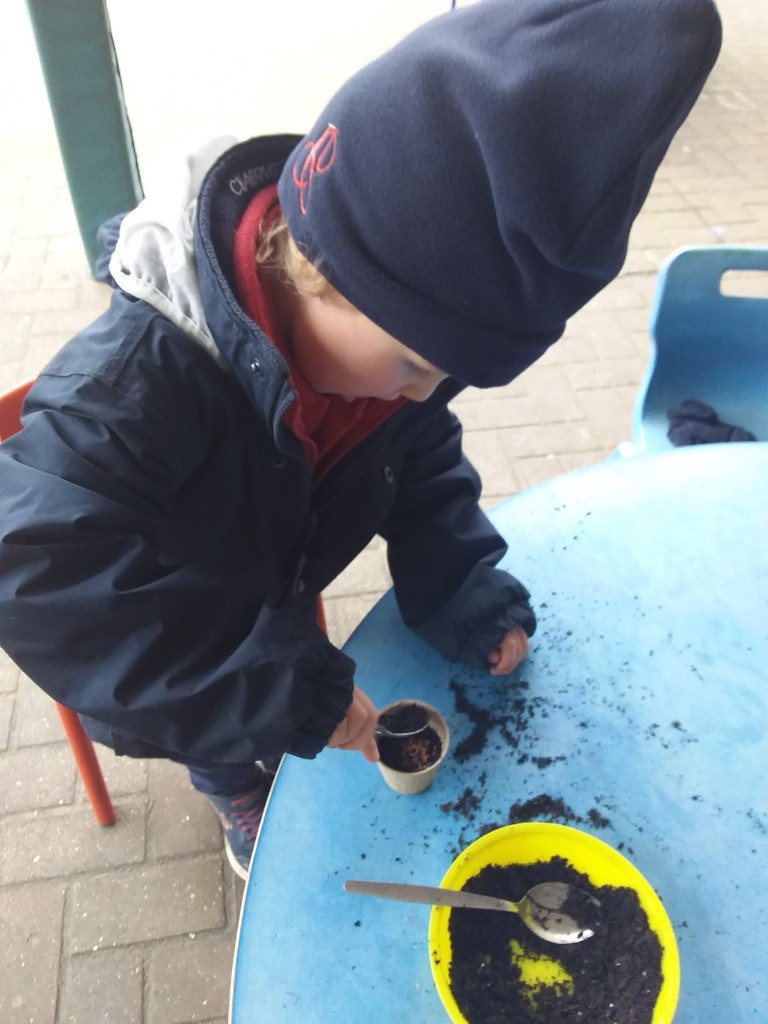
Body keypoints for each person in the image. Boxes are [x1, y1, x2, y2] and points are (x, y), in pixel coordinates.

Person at [0, 0, 720, 878]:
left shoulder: (377, 361)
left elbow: (414, 457)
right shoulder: (135, 383)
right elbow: (34, 568)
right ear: (324, 266)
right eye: (417, 361)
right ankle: (235, 793)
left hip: (281, 571)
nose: (423, 392)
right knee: (232, 731)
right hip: (184, 619)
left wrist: (458, 585)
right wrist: (273, 691)